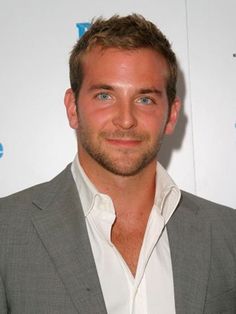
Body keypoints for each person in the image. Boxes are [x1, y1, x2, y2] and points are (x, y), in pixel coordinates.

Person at [0, 14, 235, 314]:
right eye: (104, 95)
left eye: (145, 99)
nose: (125, 120)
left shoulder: (228, 234)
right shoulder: (6, 232)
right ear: (73, 108)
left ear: (172, 115)